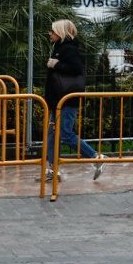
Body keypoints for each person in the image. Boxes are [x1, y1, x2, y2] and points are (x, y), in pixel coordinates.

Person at [44, 19, 103, 181]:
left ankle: (95, 157)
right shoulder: (59, 48)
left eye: (53, 31)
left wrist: (56, 65)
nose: (50, 33)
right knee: (52, 134)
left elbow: (76, 69)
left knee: (65, 134)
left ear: (61, 32)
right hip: (57, 100)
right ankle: (52, 169)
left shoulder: (69, 49)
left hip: (66, 100)